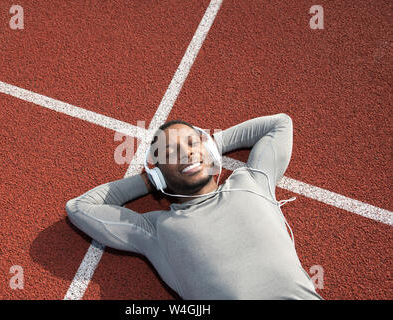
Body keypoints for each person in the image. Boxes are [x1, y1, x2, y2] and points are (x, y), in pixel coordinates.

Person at [65, 113, 323, 300]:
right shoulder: (156, 229)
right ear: (160, 175)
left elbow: (279, 124)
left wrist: (211, 146)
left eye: (191, 143)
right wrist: (149, 180)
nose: (187, 153)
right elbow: (79, 207)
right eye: (171, 153)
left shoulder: (252, 181)